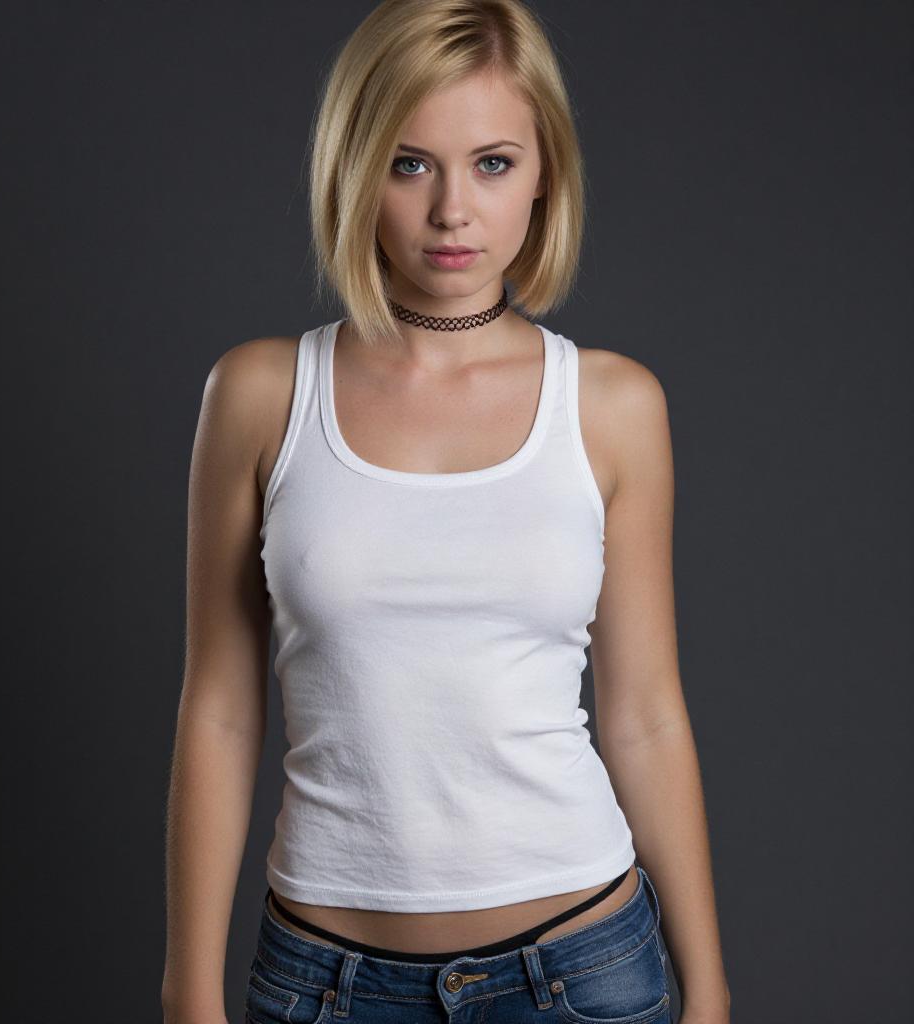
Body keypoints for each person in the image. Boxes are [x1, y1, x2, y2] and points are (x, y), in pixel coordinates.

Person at [162, 2, 731, 1022]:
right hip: (323, 982)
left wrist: (711, 989)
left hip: (583, 971)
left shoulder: (611, 406)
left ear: (546, 171)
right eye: (411, 163)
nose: (452, 211)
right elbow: (218, 709)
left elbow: (644, 712)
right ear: (354, 167)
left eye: (493, 163)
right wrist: (187, 993)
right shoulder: (260, 395)